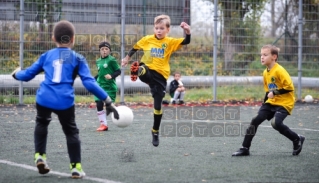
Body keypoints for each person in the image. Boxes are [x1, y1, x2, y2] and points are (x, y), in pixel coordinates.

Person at [11, 20, 119, 178]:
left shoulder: (46, 55)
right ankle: (76, 167)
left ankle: (40, 156)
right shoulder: (78, 58)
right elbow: (89, 82)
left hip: (44, 98)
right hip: (64, 101)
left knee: (42, 122)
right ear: (73, 39)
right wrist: (107, 101)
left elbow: (27, 75)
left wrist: (16, 74)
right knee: (71, 132)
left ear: (53, 38)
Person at [121, 14, 191, 147]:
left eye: (162, 28)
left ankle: (155, 131)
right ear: (154, 28)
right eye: (156, 28)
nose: (159, 30)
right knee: (143, 70)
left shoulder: (169, 42)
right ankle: (138, 70)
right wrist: (126, 58)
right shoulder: (147, 39)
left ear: (167, 30)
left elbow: (185, 42)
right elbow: (135, 47)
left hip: (161, 77)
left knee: (158, 107)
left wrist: (188, 32)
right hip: (148, 69)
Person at [232, 44, 305, 156]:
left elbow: (290, 87)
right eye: (261, 55)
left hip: (284, 103)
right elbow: (268, 91)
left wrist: (275, 93)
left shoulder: (280, 70)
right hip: (271, 103)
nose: (262, 57)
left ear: (274, 57)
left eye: (265, 55)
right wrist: (264, 105)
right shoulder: (265, 72)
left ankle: (297, 139)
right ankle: (244, 148)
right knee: (255, 120)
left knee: (276, 123)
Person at [94, 41, 121, 131]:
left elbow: (118, 71)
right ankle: (103, 125)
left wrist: (112, 76)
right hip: (100, 86)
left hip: (110, 87)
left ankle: (114, 111)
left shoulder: (112, 60)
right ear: (100, 51)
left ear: (109, 51)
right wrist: (94, 79)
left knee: (108, 106)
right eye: (102, 49)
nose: (104, 51)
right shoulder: (98, 61)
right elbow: (100, 73)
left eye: (106, 49)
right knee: (99, 103)